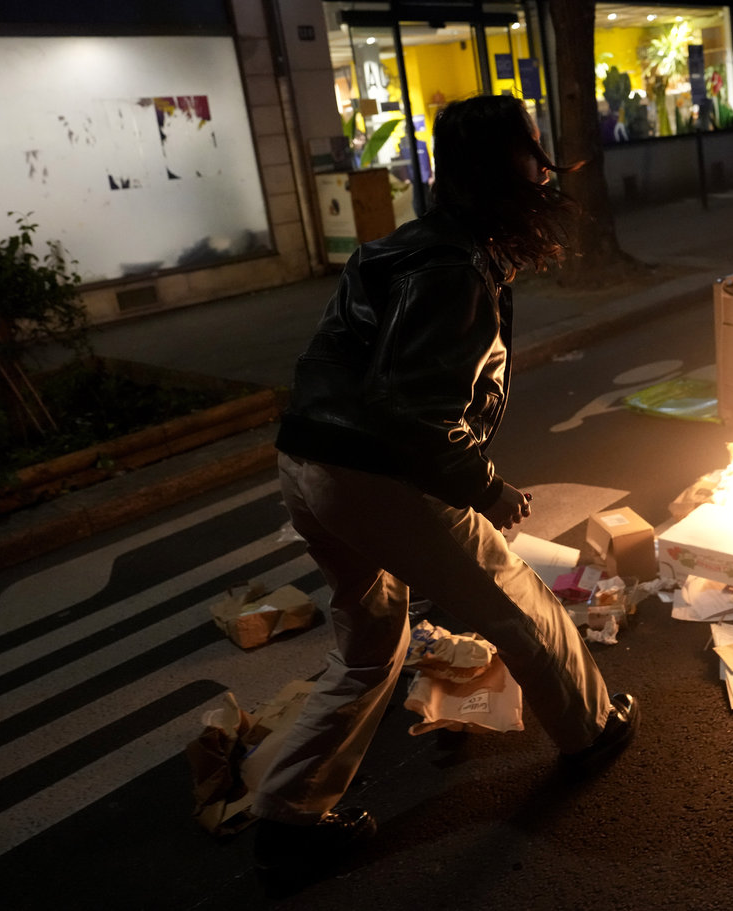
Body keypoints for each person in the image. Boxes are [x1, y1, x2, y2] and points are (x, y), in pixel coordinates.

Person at [249, 93, 639, 894]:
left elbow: (348, 368)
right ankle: (592, 730)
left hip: (308, 464)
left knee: (370, 639)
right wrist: (484, 487)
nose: (546, 173)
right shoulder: (454, 267)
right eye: (536, 157)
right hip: (378, 475)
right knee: (516, 597)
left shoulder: (401, 248)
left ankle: (286, 811)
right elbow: (411, 410)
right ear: (512, 172)